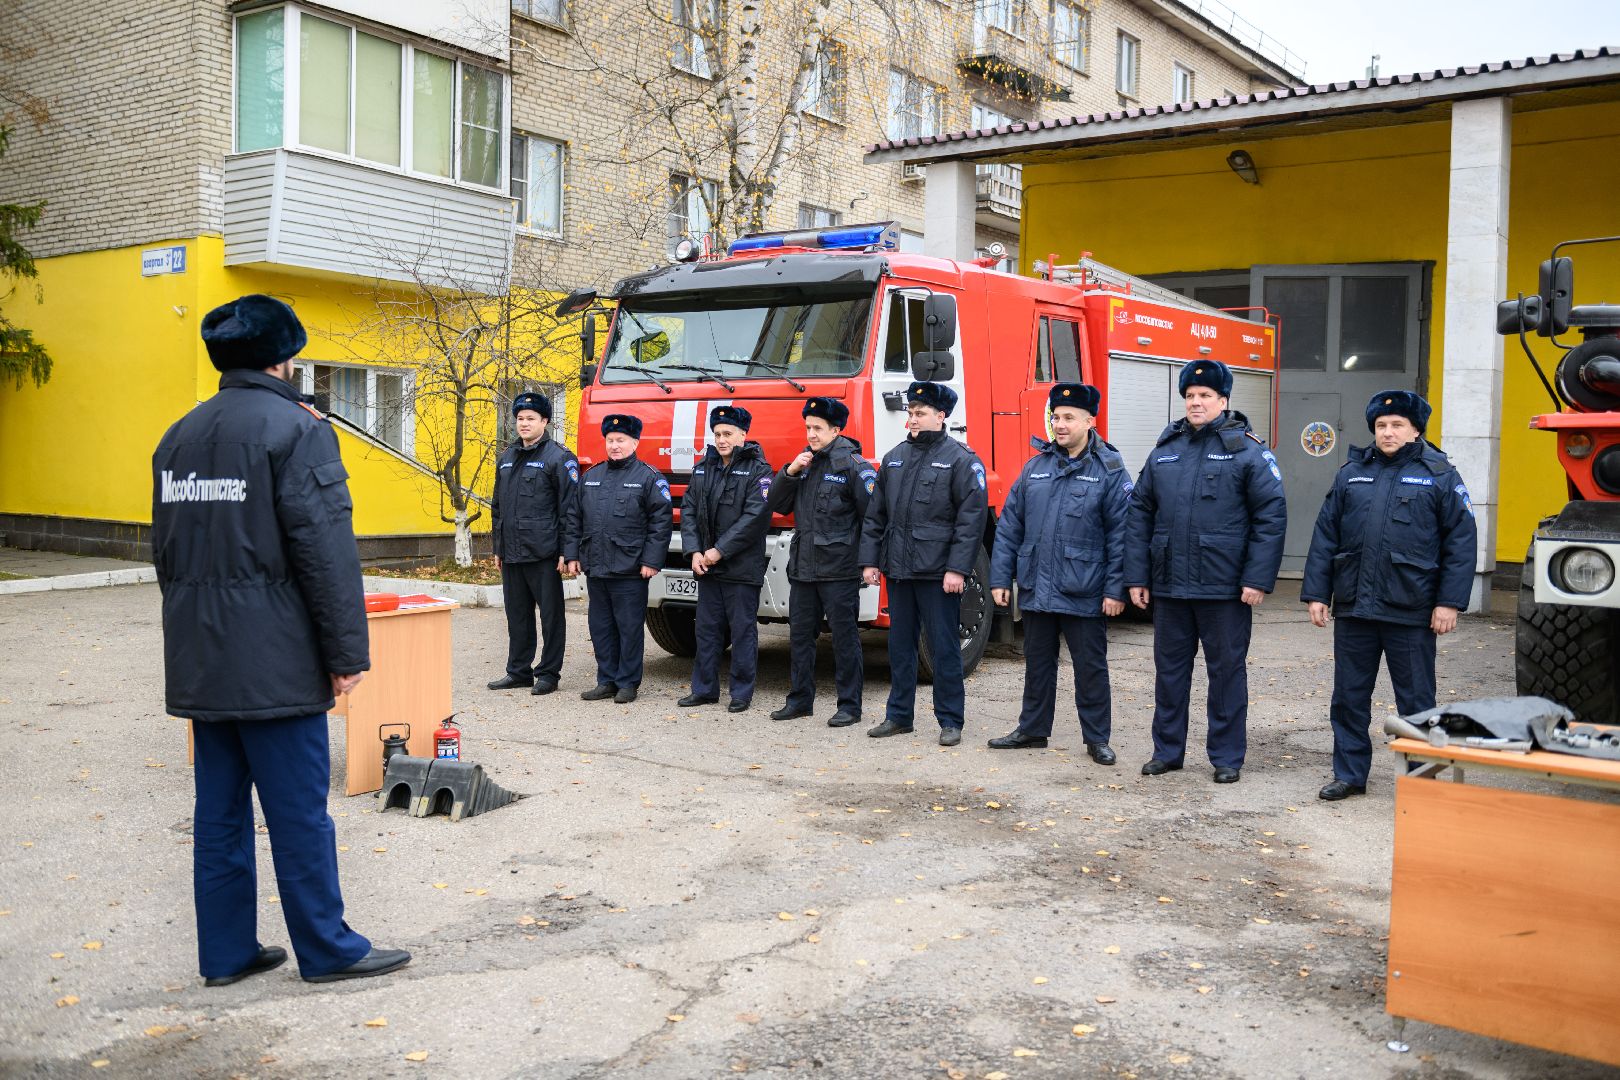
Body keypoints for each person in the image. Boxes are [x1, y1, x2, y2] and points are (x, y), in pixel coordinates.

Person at [151, 294, 408, 985]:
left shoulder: (177, 436)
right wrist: (347, 655)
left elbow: (165, 557)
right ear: (285, 357)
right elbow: (326, 553)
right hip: (277, 661)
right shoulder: (296, 431)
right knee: (298, 815)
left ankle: (228, 954)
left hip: (202, 658)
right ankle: (327, 949)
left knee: (220, 816)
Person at [1301, 390, 1477, 801]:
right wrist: (1316, 594)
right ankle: (1349, 775)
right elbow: (1326, 535)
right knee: (1348, 698)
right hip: (1356, 608)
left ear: (1416, 430)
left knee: (1416, 699)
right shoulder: (1351, 473)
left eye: (1397, 424)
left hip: (1411, 609)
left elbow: (1461, 543)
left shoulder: (1439, 474)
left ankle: (1423, 778)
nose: (1388, 432)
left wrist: (1449, 602)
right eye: (1381, 425)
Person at [1124, 360, 1286, 784]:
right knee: (1170, 672)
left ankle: (1227, 757)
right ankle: (1167, 751)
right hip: (1172, 586)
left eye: (1205, 396)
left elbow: (1271, 516)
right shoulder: (1166, 450)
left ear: (1224, 400)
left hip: (1225, 588)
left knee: (1226, 672)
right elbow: (1140, 513)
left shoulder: (1247, 451)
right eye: (1190, 396)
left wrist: (1257, 578)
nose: (1196, 402)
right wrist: (1138, 576)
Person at [988, 383, 1130, 764]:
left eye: (1068, 417)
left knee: (1090, 668)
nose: (1059, 424)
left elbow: (1122, 536)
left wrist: (1115, 590)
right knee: (1037, 664)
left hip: (1084, 587)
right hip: (1037, 585)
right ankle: (1032, 730)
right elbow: (1010, 527)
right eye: (1055, 417)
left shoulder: (1110, 470)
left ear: (1089, 420)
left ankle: (1097, 737)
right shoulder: (1036, 467)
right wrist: (1001, 579)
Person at [859, 380, 989, 747]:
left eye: (919, 413)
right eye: (910, 413)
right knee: (900, 646)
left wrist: (957, 569)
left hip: (937, 573)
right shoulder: (895, 457)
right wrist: (870, 560)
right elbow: (875, 516)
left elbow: (971, 521)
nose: (912, 419)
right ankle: (899, 716)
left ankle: (950, 720)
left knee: (944, 647)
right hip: (899, 571)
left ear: (941, 415)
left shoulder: (961, 460)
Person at [768, 397, 876, 727]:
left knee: (844, 639)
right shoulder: (804, 463)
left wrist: (868, 563)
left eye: (817, 428)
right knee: (800, 636)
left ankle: (849, 706)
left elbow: (872, 519)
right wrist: (790, 471)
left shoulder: (855, 467)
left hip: (839, 569)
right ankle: (800, 700)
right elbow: (775, 504)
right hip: (803, 568)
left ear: (836, 429)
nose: (811, 434)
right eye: (808, 427)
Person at [565, 414, 672, 704]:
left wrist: (651, 560)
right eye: (610, 440)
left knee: (628, 628)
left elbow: (660, 524)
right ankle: (607, 680)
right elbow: (574, 518)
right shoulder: (591, 477)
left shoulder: (648, 478)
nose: (614, 445)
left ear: (635, 442)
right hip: (597, 567)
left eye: (620, 440)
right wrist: (572, 554)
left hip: (630, 569)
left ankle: (627, 682)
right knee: (600, 627)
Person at [677, 405, 773, 713]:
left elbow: (755, 518)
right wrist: (693, 551)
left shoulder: (759, 469)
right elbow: (689, 509)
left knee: (742, 631)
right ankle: (704, 689)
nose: (721, 440)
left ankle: (741, 693)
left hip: (740, 567)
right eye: (717, 434)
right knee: (706, 630)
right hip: (707, 566)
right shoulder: (704, 466)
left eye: (728, 434)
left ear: (743, 435)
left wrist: (719, 550)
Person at [487, 390, 579, 696]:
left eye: (530, 419)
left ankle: (549, 673)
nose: (524, 424)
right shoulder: (507, 458)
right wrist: (498, 548)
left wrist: (568, 551)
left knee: (551, 616)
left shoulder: (559, 458)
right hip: (512, 552)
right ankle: (518, 671)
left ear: (545, 421)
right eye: (520, 419)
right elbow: (497, 507)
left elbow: (570, 508)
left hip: (545, 553)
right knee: (517, 615)